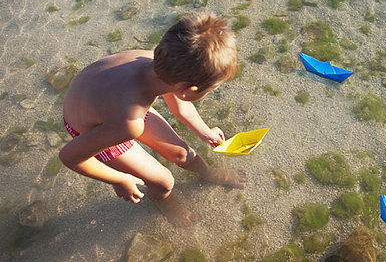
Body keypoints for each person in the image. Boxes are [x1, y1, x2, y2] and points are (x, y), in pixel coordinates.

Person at [59, 13, 246, 227]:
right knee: (164, 181)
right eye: (213, 89)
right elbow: (69, 157)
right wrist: (119, 179)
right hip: (95, 127)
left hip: (111, 106)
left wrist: (205, 131)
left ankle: (210, 174)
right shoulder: (129, 123)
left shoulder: (153, 61)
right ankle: (162, 200)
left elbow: (180, 103)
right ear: (188, 89)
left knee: (182, 153)